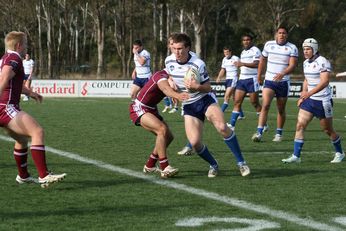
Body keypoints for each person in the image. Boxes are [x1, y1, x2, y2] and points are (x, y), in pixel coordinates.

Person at [165, 33, 250, 177]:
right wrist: (171, 83)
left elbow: (208, 87)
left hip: (204, 99)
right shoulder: (169, 61)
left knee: (223, 127)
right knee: (195, 142)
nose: (176, 52)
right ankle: (213, 164)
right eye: (174, 49)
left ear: (188, 48)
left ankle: (241, 163)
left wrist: (196, 86)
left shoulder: (198, 64)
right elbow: (169, 74)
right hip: (189, 105)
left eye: (180, 49)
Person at [0, 31, 66, 188]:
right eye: (26, 44)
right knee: (37, 132)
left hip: (5, 107)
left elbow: (12, 83)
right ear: (18, 45)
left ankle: (23, 176)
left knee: (21, 140)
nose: (27, 48)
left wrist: (31, 93)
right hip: (6, 107)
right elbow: (4, 78)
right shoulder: (15, 58)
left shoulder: (4, 58)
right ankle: (44, 175)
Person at [282, 38, 345, 163]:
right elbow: (306, 79)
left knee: (327, 130)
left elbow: (325, 81)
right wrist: (303, 96)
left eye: (308, 49)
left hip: (323, 101)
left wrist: (309, 93)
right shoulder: (306, 63)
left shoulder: (323, 62)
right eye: (304, 49)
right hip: (309, 101)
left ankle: (340, 152)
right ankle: (296, 156)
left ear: (314, 49)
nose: (305, 51)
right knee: (300, 125)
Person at [129, 70, 189, 178]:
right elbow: (166, 89)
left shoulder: (172, 78)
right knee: (161, 130)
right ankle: (165, 167)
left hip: (151, 109)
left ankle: (150, 165)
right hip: (140, 107)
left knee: (169, 137)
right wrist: (177, 95)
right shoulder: (160, 75)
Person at [252, 26, 298, 142]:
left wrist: (283, 73)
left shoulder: (292, 48)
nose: (282, 35)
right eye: (280, 33)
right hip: (269, 81)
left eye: (284, 33)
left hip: (283, 82)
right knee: (265, 105)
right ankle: (259, 133)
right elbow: (262, 60)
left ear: (287, 35)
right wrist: (259, 75)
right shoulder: (268, 45)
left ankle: (279, 133)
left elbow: (292, 65)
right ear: (276, 34)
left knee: (281, 109)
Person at [227, 34, 262, 129]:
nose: (246, 41)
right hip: (242, 79)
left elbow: (256, 64)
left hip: (252, 79)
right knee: (237, 102)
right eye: (244, 40)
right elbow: (241, 66)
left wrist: (242, 64)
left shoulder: (256, 50)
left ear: (251, 41)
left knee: (254, 103)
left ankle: (263, 123)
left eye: (248, 40)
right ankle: (232, 125)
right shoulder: (242, 52)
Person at [215, 46, 244, 119]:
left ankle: (220, 113)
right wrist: (219, 77)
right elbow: (223, 70)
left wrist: (240, 76)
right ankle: (241, 115)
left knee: (226, 96)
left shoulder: (235, 58)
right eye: (225, 52)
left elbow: (241, 67)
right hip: (228, 79)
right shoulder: (224, 59)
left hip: (233, 79)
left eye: (227, 52)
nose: (226, 54)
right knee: (235, 98)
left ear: (230, 52)